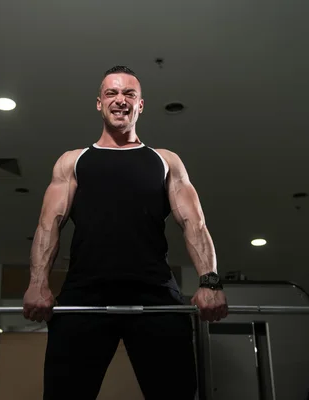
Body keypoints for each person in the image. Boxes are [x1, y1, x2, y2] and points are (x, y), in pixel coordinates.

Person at [22, 65, 229, 400]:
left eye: (129, 94)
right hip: (84, 294)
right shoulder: (73, 162)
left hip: (154, 294)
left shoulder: (165, 161)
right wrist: (37, 284)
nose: (120, 100)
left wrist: (210, 282)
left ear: (140, 104)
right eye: (112, 93)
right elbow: (49, 224)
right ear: (99, 103)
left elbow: (194, 223)